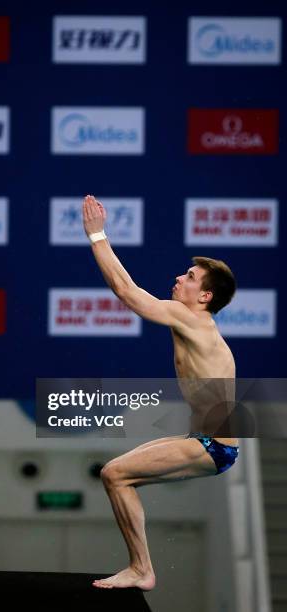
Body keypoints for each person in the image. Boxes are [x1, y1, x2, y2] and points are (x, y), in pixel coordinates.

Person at [82, 194, 239, 591]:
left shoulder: (191, 319)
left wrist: (96, 234)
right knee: (117, 475)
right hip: (210, 442)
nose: (178, 278)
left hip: (212, 444)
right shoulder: (196, 325)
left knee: (114, 474)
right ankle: (140, 568)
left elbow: (126, 290)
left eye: (189, 277)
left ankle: (141, 569)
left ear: (205, 297)